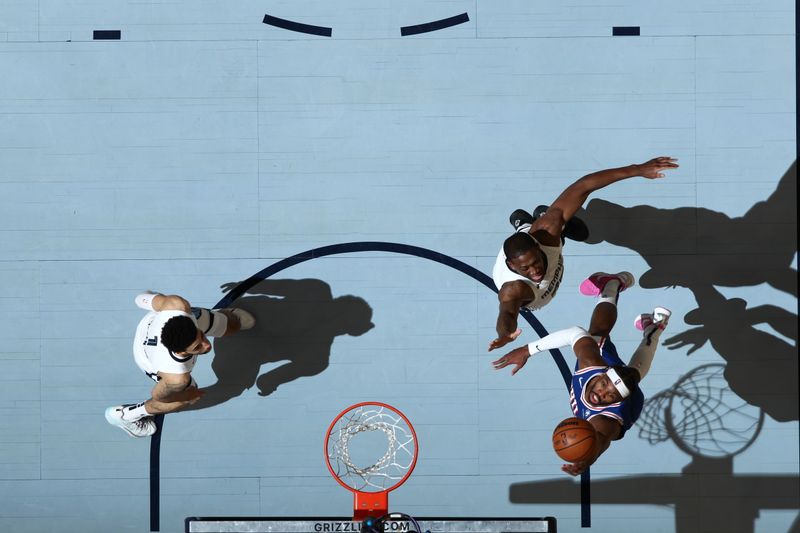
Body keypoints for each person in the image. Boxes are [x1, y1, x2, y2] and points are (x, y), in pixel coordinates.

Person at [488, 157, 678, 352]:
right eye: (525, 268)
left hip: (540, 235)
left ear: (538, 247)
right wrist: (504, 334)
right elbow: (507, 313)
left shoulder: (546, 233)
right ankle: (525, 222)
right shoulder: (514, 289)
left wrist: (637, 169)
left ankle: (528, 223)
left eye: (535, 262)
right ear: (512, 266)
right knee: (563, 229)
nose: (535, 270)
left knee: (565, 226)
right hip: (533, 288)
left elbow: (584, 185)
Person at [491, 271, 671, 475]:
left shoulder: (606, 416)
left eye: (609, 395)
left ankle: (654, 330)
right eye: (604, 386)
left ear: (615, 400)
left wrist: (586, 458)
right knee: (597, 334)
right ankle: (613, 285)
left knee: (634, 375)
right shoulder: (591, 365)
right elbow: (574, 333)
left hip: (631, 400)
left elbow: (600, 441)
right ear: (603, 373)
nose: (601, 394)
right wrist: (527, 350)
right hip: (624, 403)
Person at [104, 291, 255, 438]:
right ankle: (126, 415)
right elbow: (159, 396)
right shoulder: (175, 377)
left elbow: (140, 298)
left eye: (202, 336)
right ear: (179, 351)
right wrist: (185, 395)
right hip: (146, 358)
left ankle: (220, 319)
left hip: (153, 323)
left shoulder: (177, 305)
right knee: (182, 400)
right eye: (197, 347)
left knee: (231, 324)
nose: (207, 345)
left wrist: (150, 300)